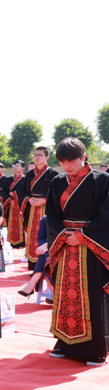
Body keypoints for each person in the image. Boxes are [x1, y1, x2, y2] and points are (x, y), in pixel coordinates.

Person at [44, 138, 109, 366]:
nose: (66, 166)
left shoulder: (103, 181)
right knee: (64, 295)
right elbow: (51, 213)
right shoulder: (57, 182)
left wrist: (82, 236)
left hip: (92, 247)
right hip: (65, 244)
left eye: (71, 161)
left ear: (84, 157)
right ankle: (63, 342)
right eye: (62, 162)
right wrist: (63, 234)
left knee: (92, 295)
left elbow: (106, 214)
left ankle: (97, 348)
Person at [16, 147, 59, 271]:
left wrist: (45, 200)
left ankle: (48, 266)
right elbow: (23, 191)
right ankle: (34, 267)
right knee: (32, 235)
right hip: (32, 208)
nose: (37, 157)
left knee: (47, 234)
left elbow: (57, 192)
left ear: (47, 157)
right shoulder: (29, 174)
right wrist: (29, 199)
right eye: (35, 155)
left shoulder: (53, 173)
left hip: (47, 208)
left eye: (40, 155)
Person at [17, 216, 51, 299]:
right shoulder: (45, 219)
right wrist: (43, 246)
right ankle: (53, 291)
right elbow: (41, 237)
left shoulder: (65, 218)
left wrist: (47, 245)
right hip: (47, 250)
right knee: (44, 255)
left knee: (44, 256)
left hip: (60, 248)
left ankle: (31, 284)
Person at [3, 160, 27, 248]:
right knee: (11, 222)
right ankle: (12, 243)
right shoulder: (9, 179)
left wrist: (15, 194)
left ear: (23, 168)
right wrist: (10, 200)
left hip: (21, 205)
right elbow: (4, 191)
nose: (15, 167)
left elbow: (25, 192)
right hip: (11, 205)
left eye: (18, 165)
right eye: (15, 165)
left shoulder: (25, 179)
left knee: (22, 222)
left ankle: (22, 243)